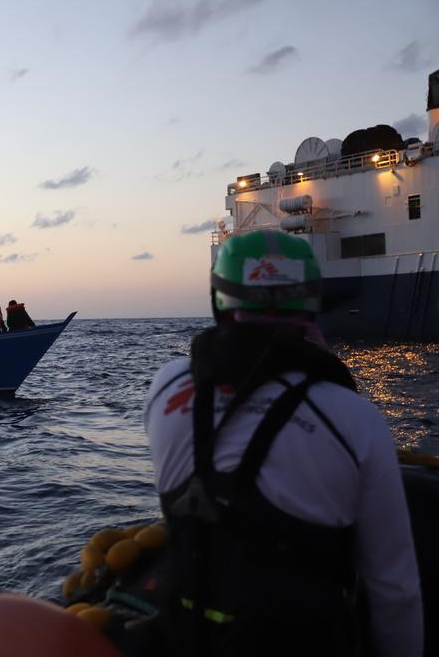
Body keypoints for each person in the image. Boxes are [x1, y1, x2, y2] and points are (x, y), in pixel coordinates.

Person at [143, 230, 421, 657]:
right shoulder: (353, 416)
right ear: (310, 299)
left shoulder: (168, 385)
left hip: (188, 635)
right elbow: (395, 589)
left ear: (220, 298)